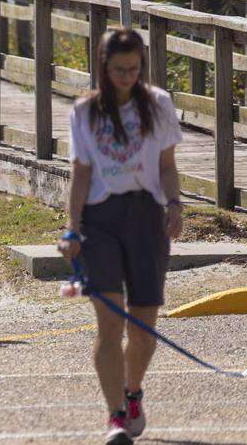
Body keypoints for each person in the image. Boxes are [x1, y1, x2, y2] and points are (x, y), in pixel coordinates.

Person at [57, 28, 183, 445]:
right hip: (101, 219)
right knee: (110, 325)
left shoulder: (159, 104)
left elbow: (166, 164)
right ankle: (114, 416)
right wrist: (71, 227)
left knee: (144, 332)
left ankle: (132, 393)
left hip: (146, 216)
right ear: (104, 69)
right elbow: (80, 172)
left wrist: (175, 204)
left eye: (134, 68)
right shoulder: (84, 111)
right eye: (118, 70)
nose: (127, 76)